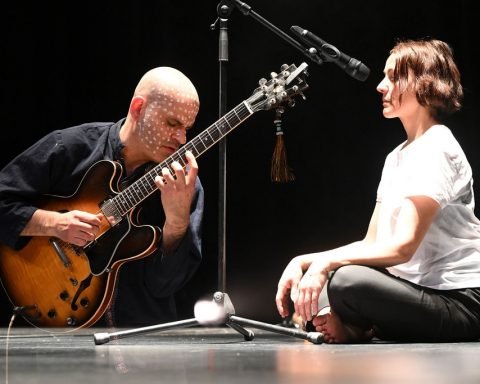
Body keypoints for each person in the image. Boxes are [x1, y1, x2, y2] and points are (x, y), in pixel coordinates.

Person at [276, 38, 480, 343]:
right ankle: (361, 327)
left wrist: (324, 264)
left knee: (345, 280)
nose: (381, 86)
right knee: (333, 280)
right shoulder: (396, 156)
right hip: (422, 295)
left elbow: (402, 249)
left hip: (461, 302)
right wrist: (303, 261)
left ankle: (362, 328)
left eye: (393, 77)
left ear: (424, 82)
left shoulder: (437, 144)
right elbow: (372, 242)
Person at [0, 66, 204, 327]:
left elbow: (164, 286)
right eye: (172, 123)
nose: (181, 138)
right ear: (138, 108)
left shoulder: (184, 186)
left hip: (144, 343)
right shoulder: (70, 147)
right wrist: (53, 223)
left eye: (187, 128)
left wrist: (176, 225)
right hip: (60, 344)